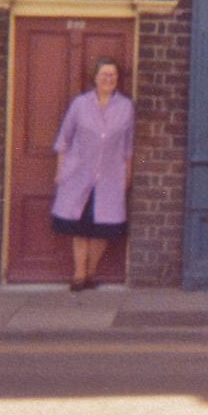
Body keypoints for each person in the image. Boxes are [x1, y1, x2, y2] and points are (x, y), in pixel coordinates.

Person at [50, 57, 134, 292]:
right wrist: (60, 171)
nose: (108, 79)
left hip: (110, 177)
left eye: (113, 76)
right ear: (95, 78)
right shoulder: (80, 104)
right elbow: (64, 139)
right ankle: (79, 275)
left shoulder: (126, 107)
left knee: (103, 229)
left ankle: (90, 271)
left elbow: (128, 146)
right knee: (79, 228)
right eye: (104, 75)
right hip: (78, 175)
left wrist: (127, 174)